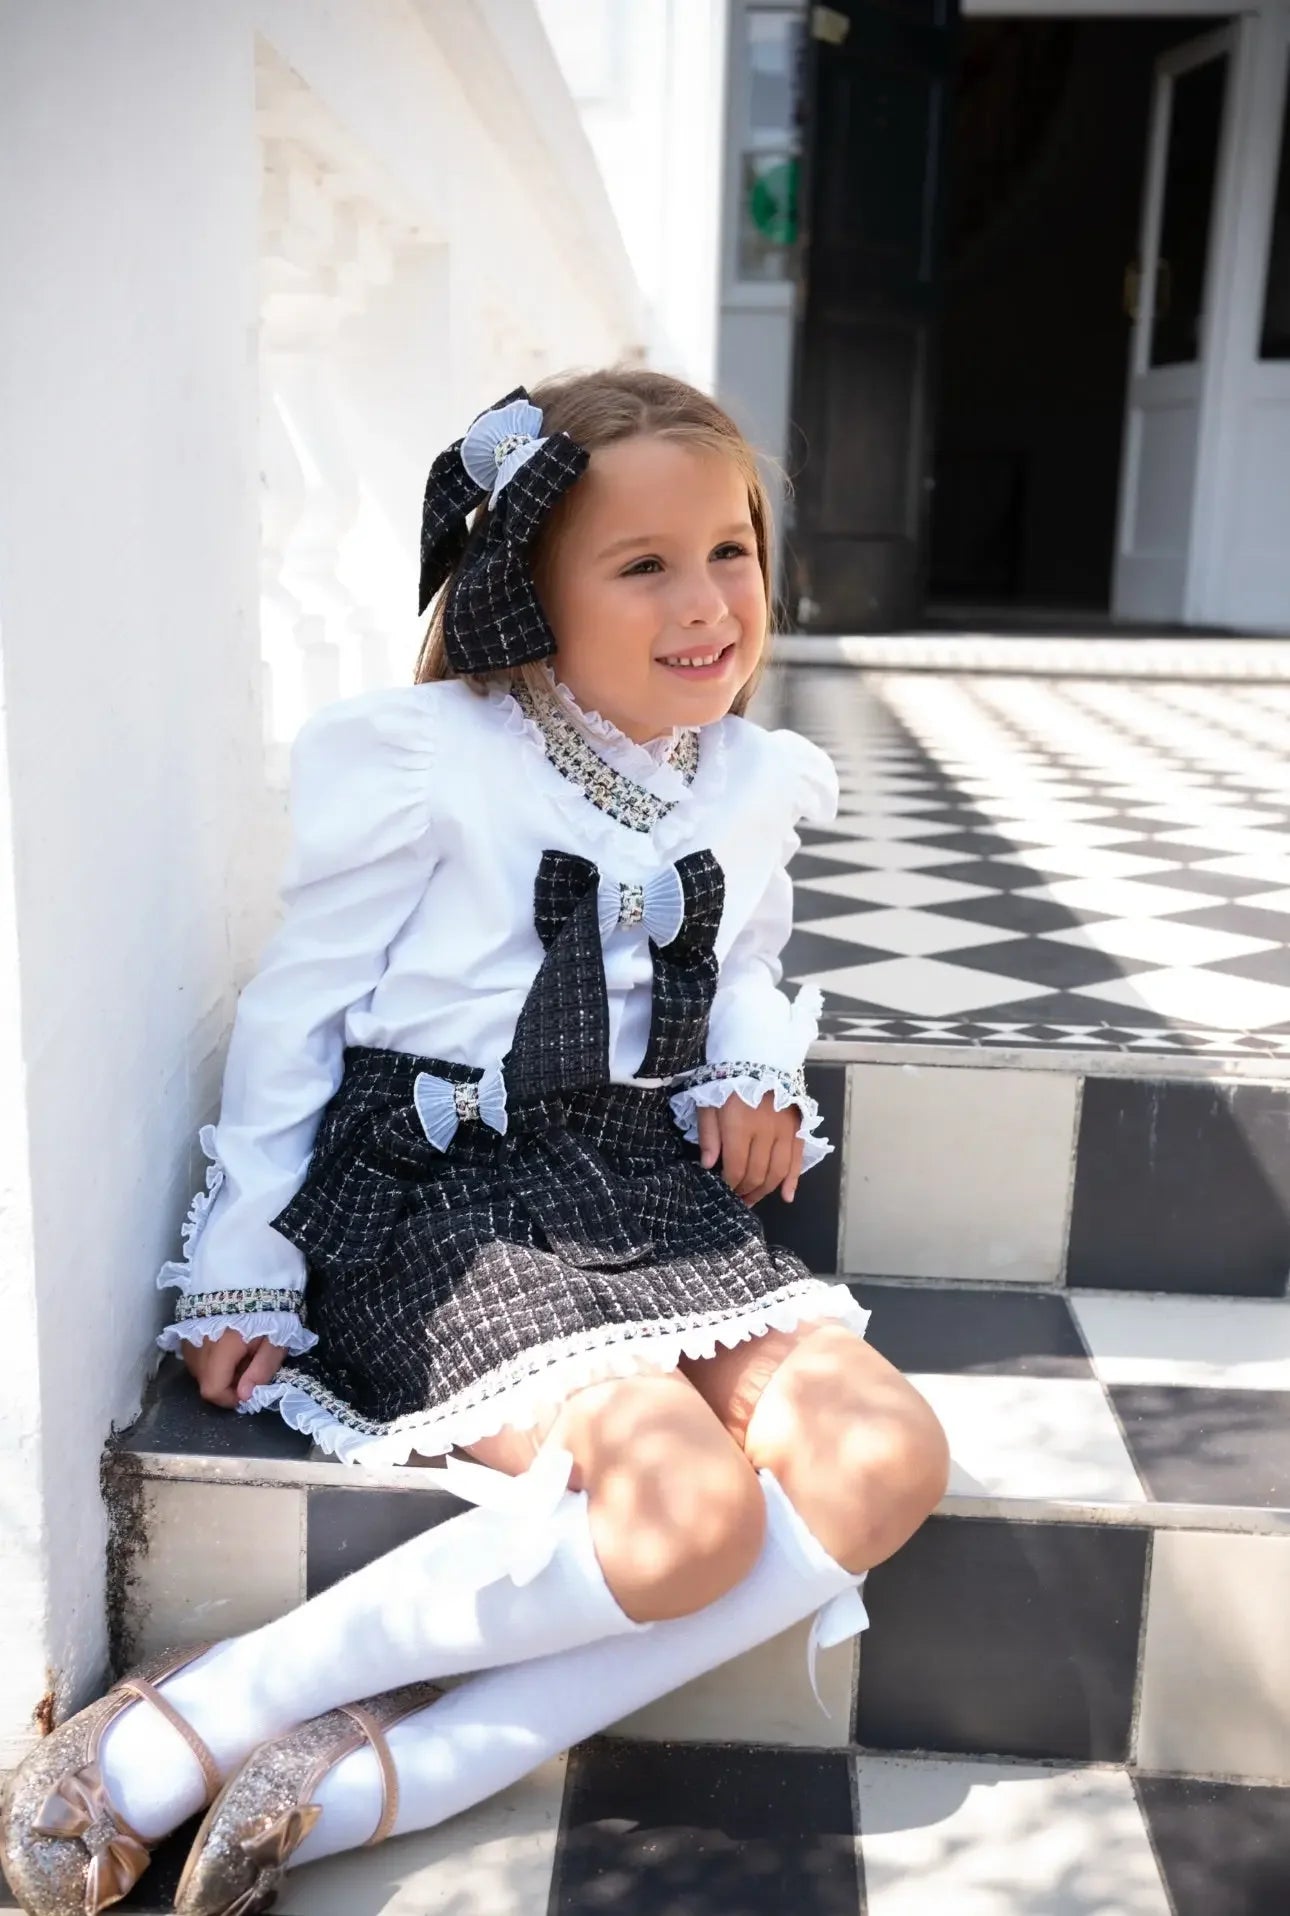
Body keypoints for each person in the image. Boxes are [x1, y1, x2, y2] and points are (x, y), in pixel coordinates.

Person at [1, 369, 949, 1916]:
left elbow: (749, 968)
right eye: (642, 565)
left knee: (888, 1455)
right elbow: (298, 1014)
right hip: (440, 1197)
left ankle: (422, 1767)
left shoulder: (753, 779)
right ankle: (227, 1697)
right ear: (526, 594)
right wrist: (238, 1271)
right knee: (685, 1517)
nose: (708, 602)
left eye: (732, 550)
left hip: (644, 1184)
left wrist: (757, 1074)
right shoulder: (436, 756)